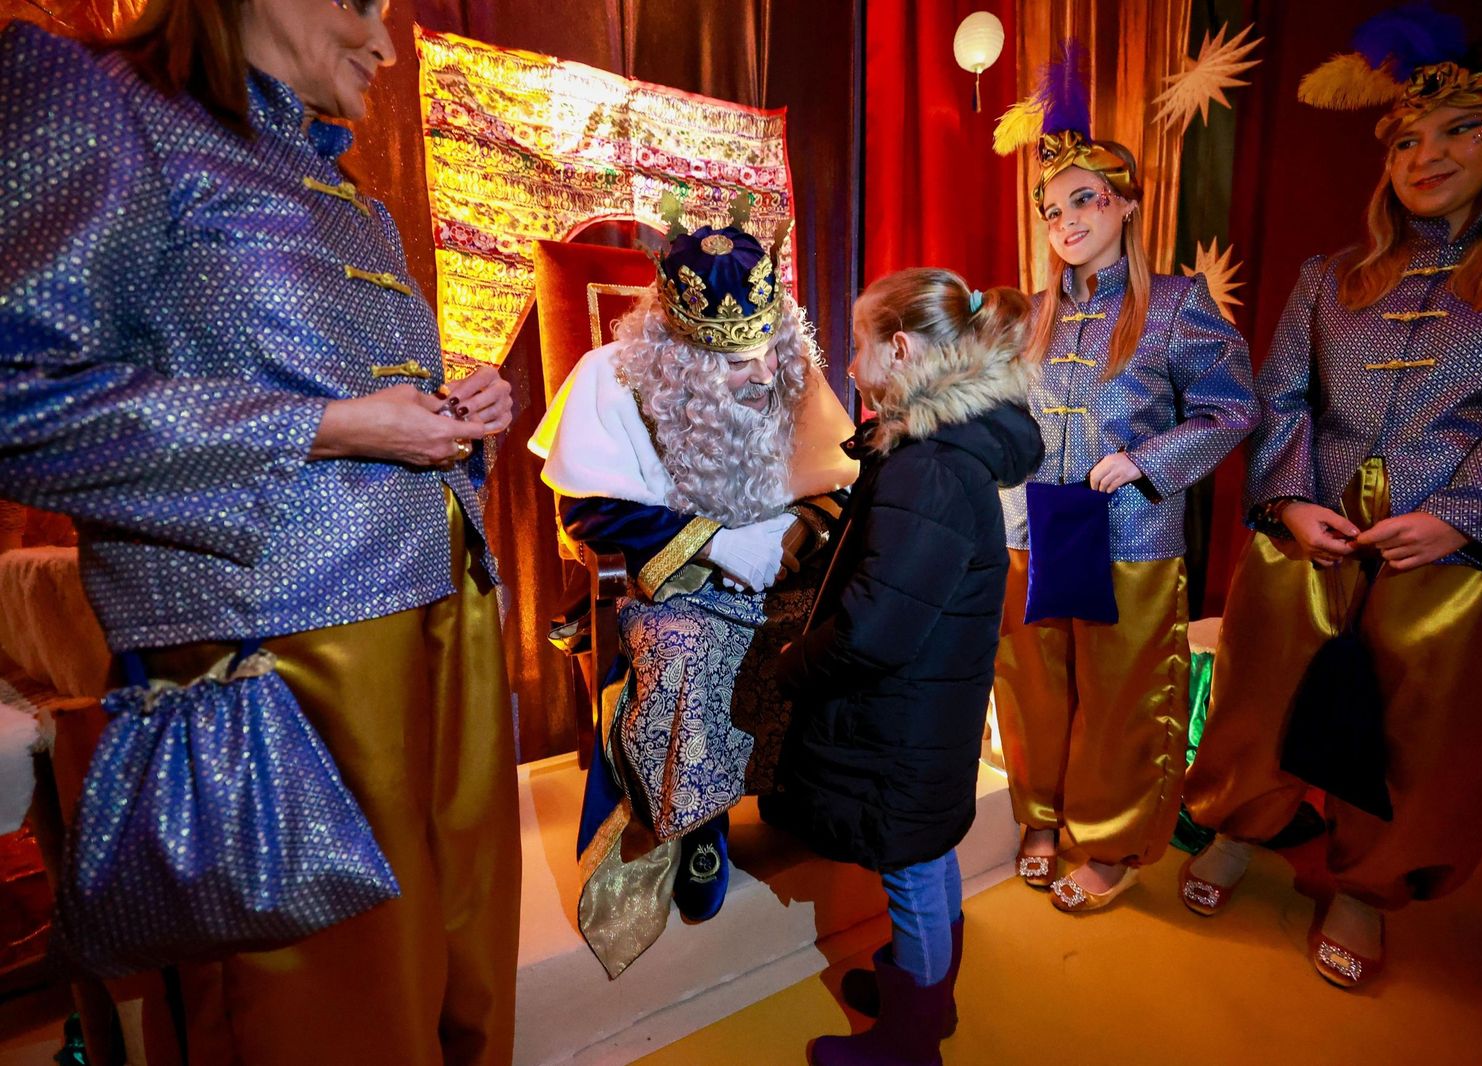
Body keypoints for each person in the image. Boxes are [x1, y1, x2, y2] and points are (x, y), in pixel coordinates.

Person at [0, 2, 521, 1062]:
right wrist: (327, 427)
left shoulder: (347, 194)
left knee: (462, 989)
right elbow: (18, 398)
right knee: (331, 1015)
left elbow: (358, 407)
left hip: (448, 624)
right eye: (363, 3)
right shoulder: (105, 103)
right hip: (288, 660)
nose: (385, 43)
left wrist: (459, 416)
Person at [1181, 6, 1482, 989]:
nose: (1426, 153)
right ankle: (1242, 825)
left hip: (1463, 552)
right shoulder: (1334, 276)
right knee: (1257, 692)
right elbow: (1280, 393)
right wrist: (1286, 502)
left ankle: (1368, 887)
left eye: (1459, 129)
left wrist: (1461, 512)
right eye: (1407, 137)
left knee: (1427, 730)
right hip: (1312, 533)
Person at [530, 207, 858, 978]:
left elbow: (837, 479)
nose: (757, 376)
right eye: (730, 361)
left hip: (783, 571)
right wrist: (715, 543)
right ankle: (694, 821)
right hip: (676, 580)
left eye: (761, 352)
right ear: (677, 348)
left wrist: (791, 536)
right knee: (692, 650)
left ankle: (806, 796)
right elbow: (588, 507)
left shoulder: (787, 366)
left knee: (851, 629)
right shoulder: (610, 379)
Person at [988, 43, 1258, 912]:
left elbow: (1233, 409)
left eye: (1083, 200)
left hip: (1130, 534)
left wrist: (1145, 462)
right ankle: (1038, 812)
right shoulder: (1029, 317)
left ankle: (1107, 843)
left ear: (1126, 203)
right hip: (1033, 528)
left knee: (1118, 695)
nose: (1064, 219)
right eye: (1050, 207)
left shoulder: (1176, 306)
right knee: (1032, 682)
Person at [766, 268, 1041, 1066]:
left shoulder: (931, 468)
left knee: (912, 871)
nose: (848, 365)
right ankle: (926, 998)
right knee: (925, 856)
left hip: (903, 717)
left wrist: (793, 664)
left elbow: (873, 630)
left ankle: (909, 1044)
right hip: (924, 713)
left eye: (856, 346)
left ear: (900, 346)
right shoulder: (941, 450)